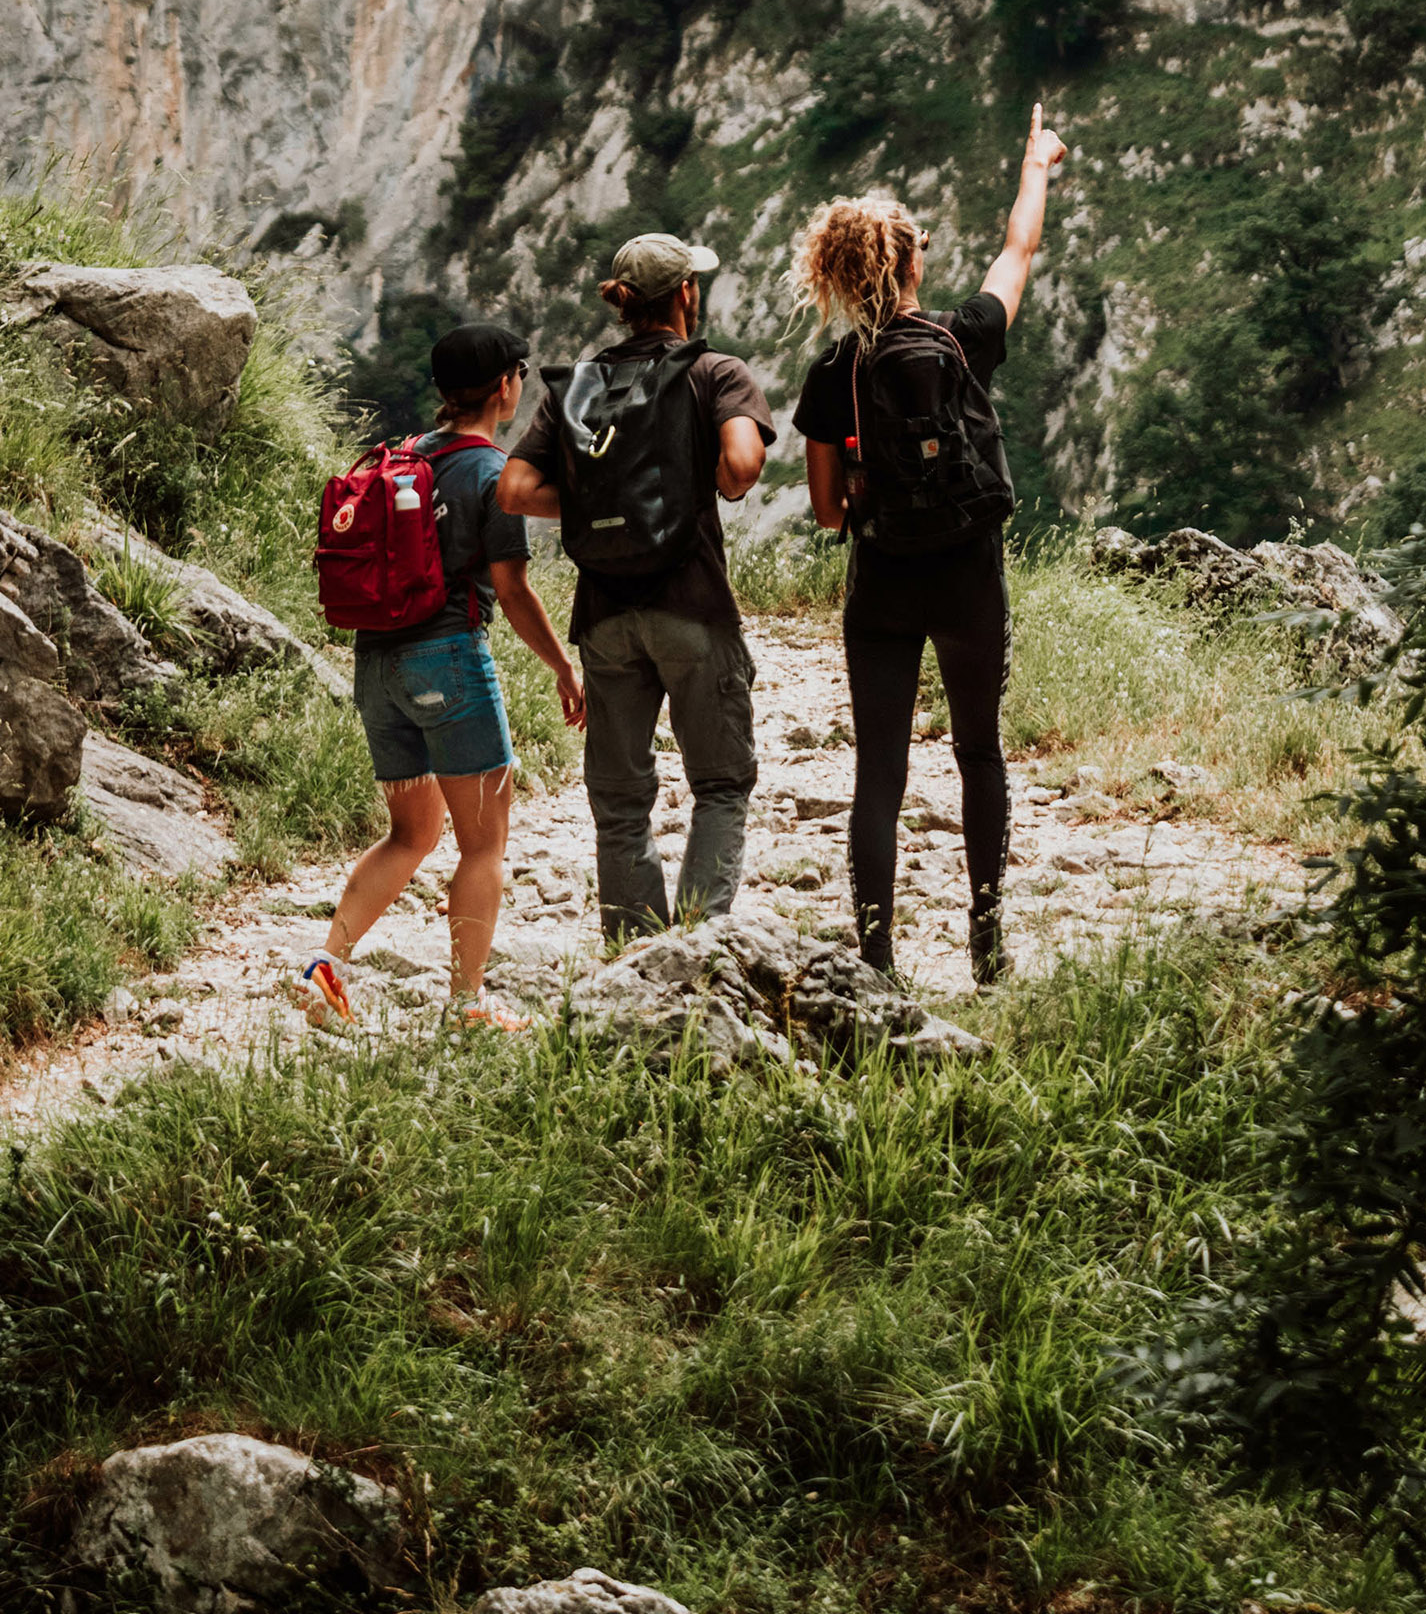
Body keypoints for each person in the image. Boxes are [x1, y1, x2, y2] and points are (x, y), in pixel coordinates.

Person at [791, 103, 1067, 986]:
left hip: (883, 585)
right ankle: (986, 950)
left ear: (839, 275)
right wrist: (1037, 165)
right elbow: (1018, 253)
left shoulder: (834, 373)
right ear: (910, 264)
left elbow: (828, 513)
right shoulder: (961, 335)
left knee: (880, 771)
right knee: (978, 750)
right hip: (967, 577)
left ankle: (876, 959)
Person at [298, 322, 585, 1031]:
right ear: (505, 386)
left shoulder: (400, 457)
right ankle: (466, 1004)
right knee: (483, 843)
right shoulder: (493, 473)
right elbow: (512, 591)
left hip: (375, 663)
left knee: (411, 832)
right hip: (448, 661)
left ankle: (325, 965)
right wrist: (563, 666)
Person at [498, 233, 775, 941]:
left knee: (620, 801)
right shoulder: (715, 371)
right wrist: (692, 482)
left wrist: (596, 502)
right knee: (718, 784)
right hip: (692, 607)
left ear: (623, 305)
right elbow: (742, 467)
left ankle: (634, 958)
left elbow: (516, 489)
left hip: (605, 616)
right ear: (685, 294)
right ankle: (697, 946)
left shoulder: (584, 383)